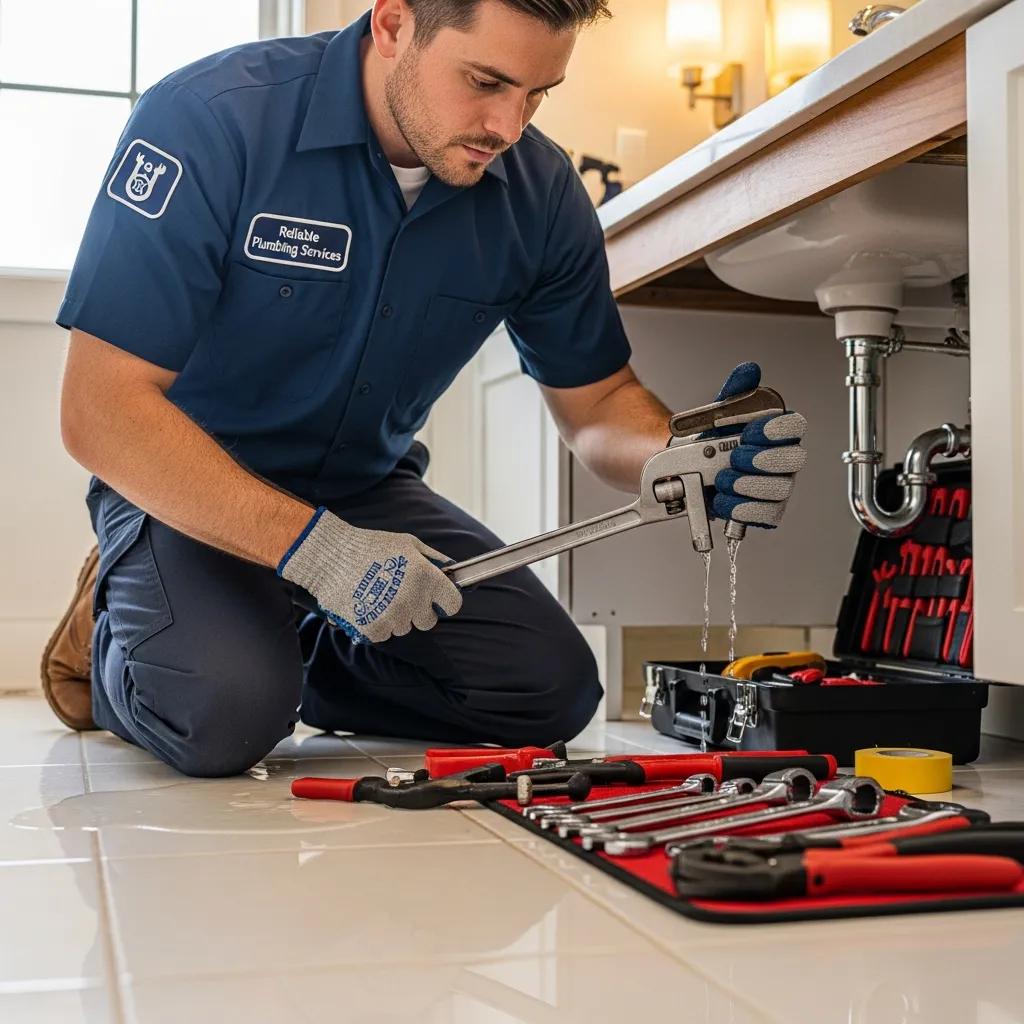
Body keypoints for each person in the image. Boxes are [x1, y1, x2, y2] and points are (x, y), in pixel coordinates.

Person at [41, 0, 808, 777]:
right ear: (393, 23)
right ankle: (118, 639)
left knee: (548, 696)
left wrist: (678, 453)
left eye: (538, 94)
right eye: (485, 81)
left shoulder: (538, 196)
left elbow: (600, 404)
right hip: (189, 489)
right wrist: (321, 554)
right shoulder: (211, 120)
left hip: (365, 491)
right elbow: (101, 409)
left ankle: (284, 654)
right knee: (222, 718)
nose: (508, 126)